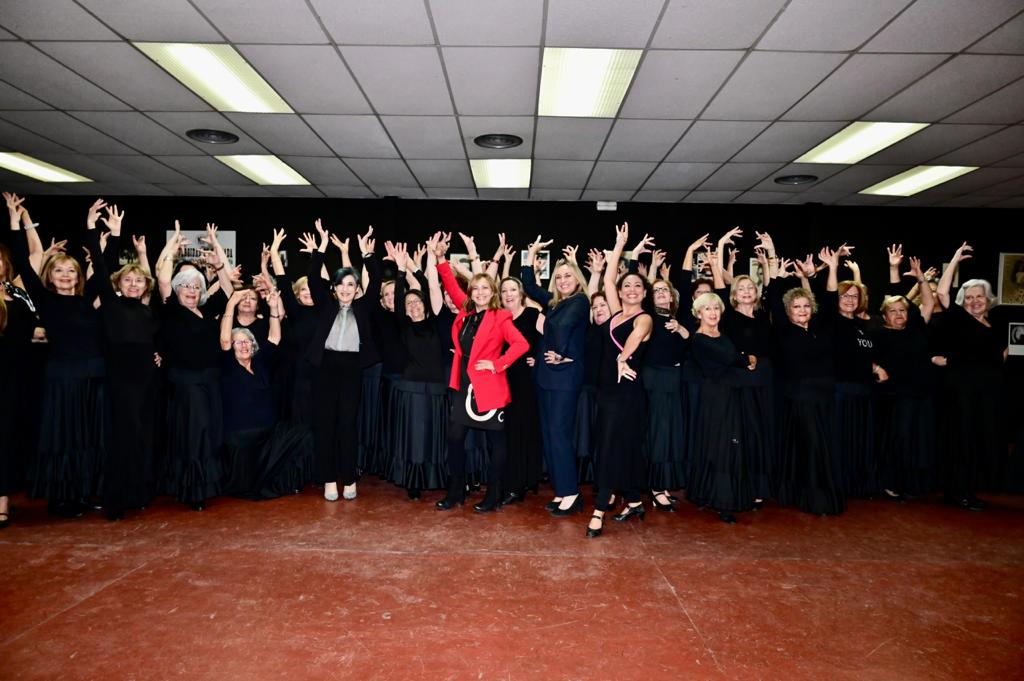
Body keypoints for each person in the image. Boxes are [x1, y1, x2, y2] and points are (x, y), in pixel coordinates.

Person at [7, 193, 106, 518]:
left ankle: (81, 492)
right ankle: (61, 497)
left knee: (88, 438)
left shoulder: (86, 297)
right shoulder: (45, 299)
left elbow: (103, 271)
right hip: (62, 380)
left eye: (71, 271)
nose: (66, 275)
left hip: (92, 378)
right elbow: (21, 260)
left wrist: (93, 228)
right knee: (64, 438)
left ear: (79, 277)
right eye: (60, 271)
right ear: (50, 276)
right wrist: (15, 221)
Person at [433, 237, 529, 513]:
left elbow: (522, 344)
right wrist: (440, 260)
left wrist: (497, 364)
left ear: (493, 291)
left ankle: (493, 494)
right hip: (463, 386)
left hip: (489, 389)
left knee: (495, 443)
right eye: (475, 289)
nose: (479, 293)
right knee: (454, 438)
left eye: (485, 288)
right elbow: (451, 287)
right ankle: (456, 492)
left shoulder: (500, 317)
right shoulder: (466, 312)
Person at [84, 200, 161, 520]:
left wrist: (158, 356)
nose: (133, 284)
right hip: (121, 380)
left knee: (143, 435)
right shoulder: (113, 307)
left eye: (139, 281)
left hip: (147, 379)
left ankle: (138, 493)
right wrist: (105, 232)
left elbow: (156, 339)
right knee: (121, 438)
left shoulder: (146, 310)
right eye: (128, 280)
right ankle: (115, 501)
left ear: (146, 286)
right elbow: (102, 269)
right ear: (119, 283)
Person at [155, 221, 236, 510]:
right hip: (186, 383)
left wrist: (219, 257)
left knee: (209, 432)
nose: (190, 290)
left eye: (195, 286)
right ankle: (193, 490)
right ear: (176, 290)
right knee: (195, 435)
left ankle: (206, 485)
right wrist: (171, 248)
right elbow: (162, 280)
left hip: (210, 381)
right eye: (185, 286)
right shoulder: (172, 310)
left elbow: (229, 290)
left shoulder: (206, 308)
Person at [303, 221, 380, 503]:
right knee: (325, 425)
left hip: (351, 369)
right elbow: (313, 279)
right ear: (334, 288)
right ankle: (327, 480)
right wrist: (320, 250)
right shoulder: (326, 305)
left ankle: (348, 478)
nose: (346, 289)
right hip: (325, 368)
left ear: (357, 288)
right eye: (341, 284)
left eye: (351, 284)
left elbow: (377, 284)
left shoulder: (364, 306)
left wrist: (368, 256)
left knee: (347, 424)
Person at [587, 223, 653, 539]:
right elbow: (609, 280)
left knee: (612, 448)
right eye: (627, 286)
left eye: (636, 287)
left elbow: (635, 339)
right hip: (606, 392)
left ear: (644, 292)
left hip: (628, 393)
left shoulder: (645, 317)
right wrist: (619, 246)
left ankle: (600, 508)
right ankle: (635, 499)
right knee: (617, 445)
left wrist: (622, 357)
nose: (629, 289)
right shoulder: (615, 314)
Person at [770, 253, 845, 516]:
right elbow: (775, 303)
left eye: (805, 306)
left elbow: (830, 299)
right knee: (812, 446)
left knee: (825, 446)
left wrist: (817, 275)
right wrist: (777, 275)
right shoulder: (783, 329)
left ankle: (821, 494)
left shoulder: (821, 328)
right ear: (788, 311)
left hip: (825, 396)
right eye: (796, 307)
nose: (802, 311)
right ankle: (814, 498)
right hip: (800, 398)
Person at [521, 236, 591, 516]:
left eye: (568, 275)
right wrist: (531, 252)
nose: (563, 280)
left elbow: (562, 327)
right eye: (559, 276)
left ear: (577, 279)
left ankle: (572, 494)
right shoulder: (554, 302)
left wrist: (561, 351)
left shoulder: (579, 301)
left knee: (560, 435)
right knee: (550, 435)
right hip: (546, 376)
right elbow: (528, 285)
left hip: (565, 377)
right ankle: (562, 491)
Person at [934, 242, 1007, 510]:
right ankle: (958, 492)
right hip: (962, 392)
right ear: (963, 301)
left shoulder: (994, 325)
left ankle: (969, 489)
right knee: (961, 440)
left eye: (979, 296)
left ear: (988, 299)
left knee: (978, 439)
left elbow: (999, 359)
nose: (975, 301)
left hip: (986, 393)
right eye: (969, 297)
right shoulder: (958, 319)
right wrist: (955, 259)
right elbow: (942, 291)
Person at [219, 289, 312, 499]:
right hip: (242, 439)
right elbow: (225, 340)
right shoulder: (229, 366)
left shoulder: (259, 364)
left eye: (247, 342)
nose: (244, 345)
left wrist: (272, 308)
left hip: (268, 436)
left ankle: (290, 481)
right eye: (238, 342)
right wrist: (230, 306)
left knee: (305, 435)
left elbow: (274, 338)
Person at [711, 228, 775, 506]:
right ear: (734, 295)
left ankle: (761, 485)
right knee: (743, 434)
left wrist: (771, 253)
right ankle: (742, 483)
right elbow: (718, 283)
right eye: (741, 289)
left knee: (762, 433)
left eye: (751, 287)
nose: (747, 291)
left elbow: (775, 286)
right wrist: (722, 244)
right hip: (740, 383)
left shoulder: (764, 315)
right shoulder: (728, 316)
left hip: (764, 381)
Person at [383, 240, 451, 499]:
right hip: (410, 389)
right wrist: (400, 272)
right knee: (414, 438)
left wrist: (426, 262)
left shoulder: (435, 322)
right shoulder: (404, 326)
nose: (413, 305)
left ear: (424, 304)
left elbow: (428, 286)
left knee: (433, 437)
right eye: (408, 303)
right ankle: (413, 482)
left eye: (416, 301)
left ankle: (433, 477)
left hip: (436, 388)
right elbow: (400, 302)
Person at [687, 291, 758, 523]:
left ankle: (719, 495)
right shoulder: (699, 339)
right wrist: (746, 358)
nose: (713, 313)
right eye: (707, 309)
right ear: (698, 313)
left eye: (716, 308)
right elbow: (731, 357)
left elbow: (733, 356)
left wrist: (742, 357)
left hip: (730, 395)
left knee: (731, 444)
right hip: (715, 398)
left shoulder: (723, 335)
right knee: (719, 446)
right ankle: (721, 500)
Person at [872, 248, 937, 500]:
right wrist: (893, 269)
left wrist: (921, 279)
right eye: (894, 311)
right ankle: (892, 482)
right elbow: (865, 358)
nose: (899, 314)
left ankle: (915, 483)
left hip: (922, 392)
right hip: (896, 396)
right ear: (885, 315)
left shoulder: (916, 328)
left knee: (920, 440)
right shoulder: (878, 333)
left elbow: (929, 302)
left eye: (903, 310)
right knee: (898, 439)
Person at [497, 275, 543, 506]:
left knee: (525, 431)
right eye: (504, 290)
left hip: (526, 382)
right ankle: (518, 481)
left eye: (512, 289)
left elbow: (554, 338)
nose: (508, 294)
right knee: (510, 434)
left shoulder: (534, 315)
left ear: (521, 292)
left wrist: (540, 359)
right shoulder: (499, 318)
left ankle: (521, 484)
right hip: (504, 381)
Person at [0, 233, 36, 529]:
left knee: (10, 436)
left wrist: (23, 222)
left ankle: (5, 497)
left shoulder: (17, 290)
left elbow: (35, 257)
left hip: (21, 374)